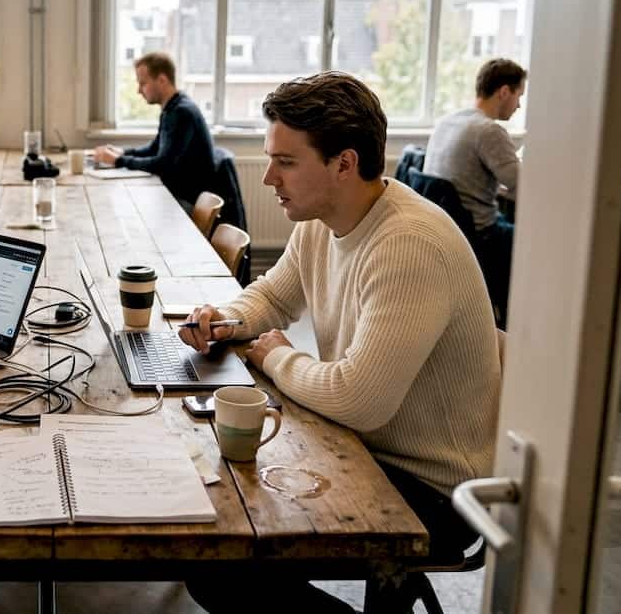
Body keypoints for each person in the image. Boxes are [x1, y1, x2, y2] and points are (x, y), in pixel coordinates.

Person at [179, 72, 500, 612]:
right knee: (217, 516)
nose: (269, 178)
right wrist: (225, 320)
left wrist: (278, 356)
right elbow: (274, 296)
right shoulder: (321, 219)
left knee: (222, 566)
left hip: (433, 486)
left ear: (344, 163)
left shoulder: (408, 245)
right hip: (364, 446)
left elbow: (359, 399)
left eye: (285, 162)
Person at [423, 58, 526, 319]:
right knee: (534, 241)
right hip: (480, 235)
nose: (519, 105)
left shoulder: (448, 121)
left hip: (446, 227)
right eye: (519, 96)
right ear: (504, 92)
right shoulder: (488, 130)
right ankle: (516, 321)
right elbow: (523, 186)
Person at [93, 52, 217, 211]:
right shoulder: (172, 108)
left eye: (143, 83)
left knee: (123, 207)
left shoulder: (181, 113)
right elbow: (154, 148)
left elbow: (163, 165)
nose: (138, 90)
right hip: (177, 196)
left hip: (185, 202)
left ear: (162, 80)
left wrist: (118, 161)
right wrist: (122, 153)